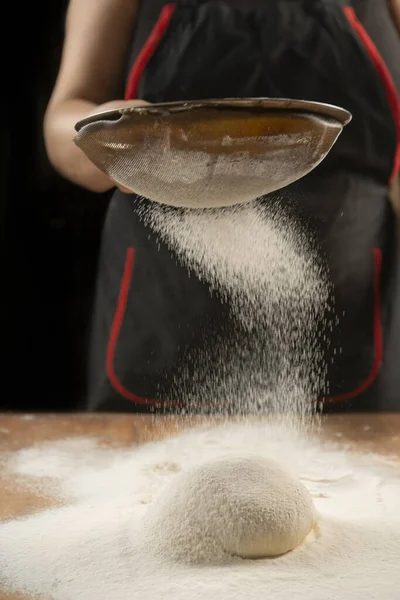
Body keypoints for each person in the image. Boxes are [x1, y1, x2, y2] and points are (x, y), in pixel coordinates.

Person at [44, 0, 400, 413]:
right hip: (163, 298)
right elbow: (61, 120)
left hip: (348, 302)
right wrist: (108, 135)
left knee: (349, 477)